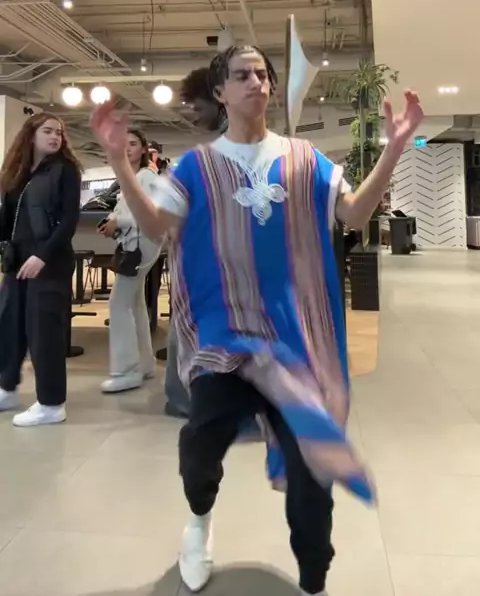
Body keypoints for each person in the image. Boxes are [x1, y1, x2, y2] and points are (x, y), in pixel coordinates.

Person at [91, 45, 423, 596]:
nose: (257, 82)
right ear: (220, 92)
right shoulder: (196, 166)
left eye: (263, 74)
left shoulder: (304, 157)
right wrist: (121, 164)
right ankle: (198, 522)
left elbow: (354, 214)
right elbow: (154, 226)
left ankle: (313, 582)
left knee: (312, 477)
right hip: (223, 341)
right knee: (201, 446)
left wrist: (394, 148)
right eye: (243, 75)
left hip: (295, 346)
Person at [0, 113, 82, 427]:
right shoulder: (17, 172)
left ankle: (51, 403)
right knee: (9, 326)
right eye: (47, 131)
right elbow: (9, 218)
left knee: (44, 332)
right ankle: (6, 388)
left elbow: (69, 221)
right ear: (31, 135)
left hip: (50, 263)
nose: (55, 137)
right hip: (17, 261)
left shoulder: (66, 169)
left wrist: (42, 256)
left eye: (59, 132)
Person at [98, 128, 163, 393]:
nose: (127, 148)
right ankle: (144, 365)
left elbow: (152, 213)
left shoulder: (147, 177)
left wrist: (119, 221)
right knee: (134, 303)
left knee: (118, 303)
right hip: (134, 244)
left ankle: (126, 371)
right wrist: (113, 218)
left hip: (143, 245)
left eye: (133, 143)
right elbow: (125, 208)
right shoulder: (131, 177)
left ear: (144, 149)